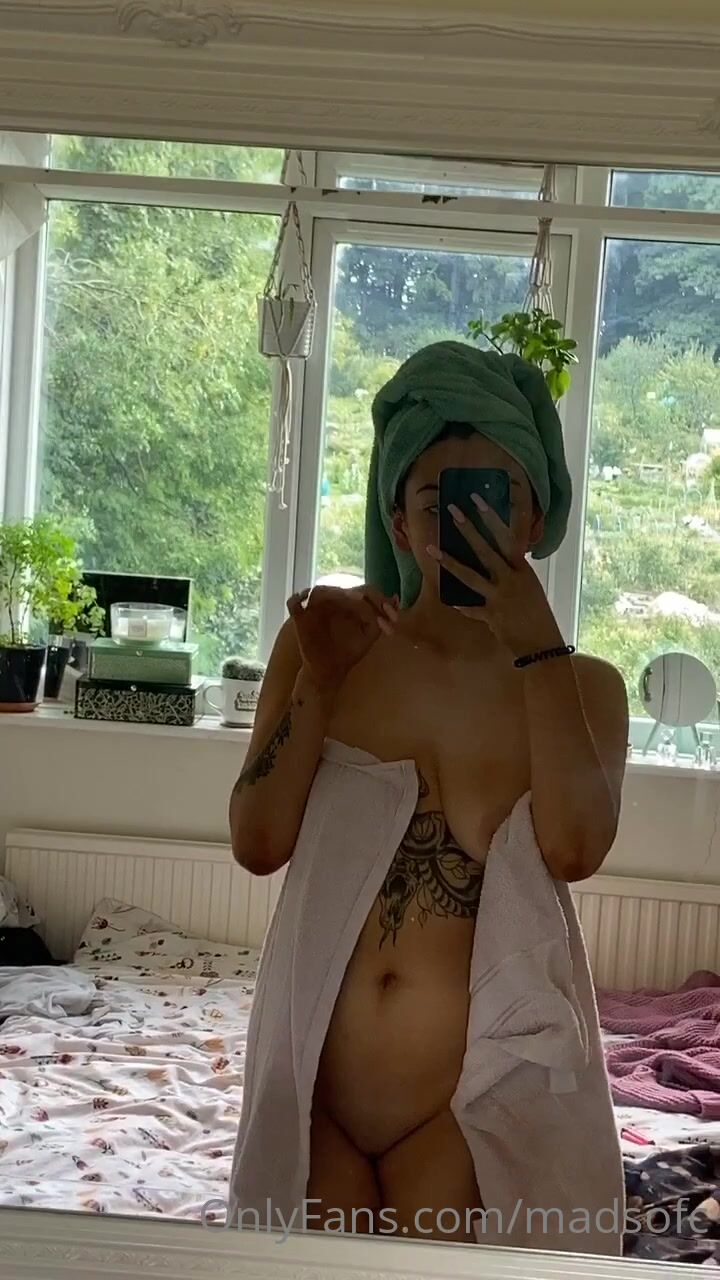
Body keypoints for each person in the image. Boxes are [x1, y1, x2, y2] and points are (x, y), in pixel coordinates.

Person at [229, 341, 628, 1243]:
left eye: (497, 500)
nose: (469, 527)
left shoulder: (583, 687)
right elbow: (256, 842)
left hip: (465, 1110)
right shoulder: (328, 650)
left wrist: (538, 650)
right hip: (318, 1099)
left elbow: (575, 849)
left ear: (535, 519)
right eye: (437, 503)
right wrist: (320, 682)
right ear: (402, 525)